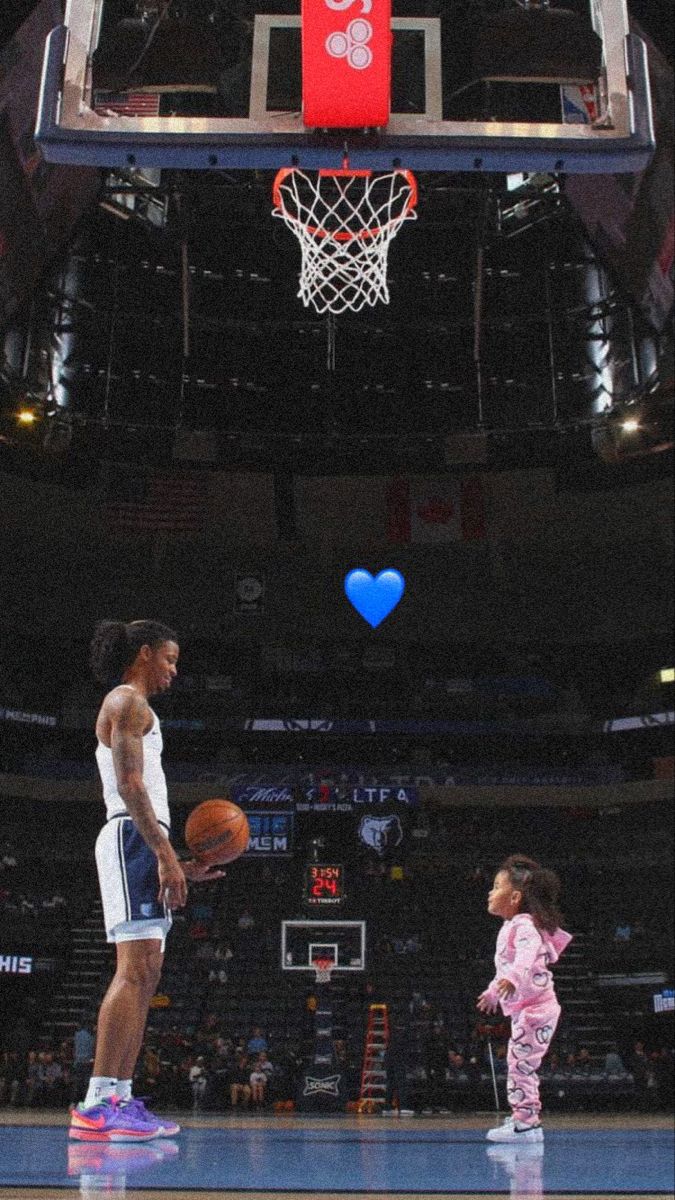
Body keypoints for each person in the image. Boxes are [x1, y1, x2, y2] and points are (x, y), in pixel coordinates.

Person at [69, 619, 223, 1143]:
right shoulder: (126, 701)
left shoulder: (137, 707)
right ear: (143, 654)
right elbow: (129, 784)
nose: (174, 671)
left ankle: (118, 1096)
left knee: (147, 973)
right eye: (170, 659)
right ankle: (97, 1102)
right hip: (130, 839)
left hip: (143, 839)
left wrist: (176, 857)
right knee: (134, 971)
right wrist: (162, 853)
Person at [477, 854, 572, 1143]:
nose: (490, 892)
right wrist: (494, 991)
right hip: (529, 1010)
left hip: (537, 1010)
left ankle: (527, 1125)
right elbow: (505, 969)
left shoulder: (525, 926)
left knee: (520, 1066)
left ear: (515, 896)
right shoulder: (511, 927)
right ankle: (524, 1118)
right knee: (520, 1064)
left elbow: (526, 959)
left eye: (496, 886)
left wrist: (512, 980)